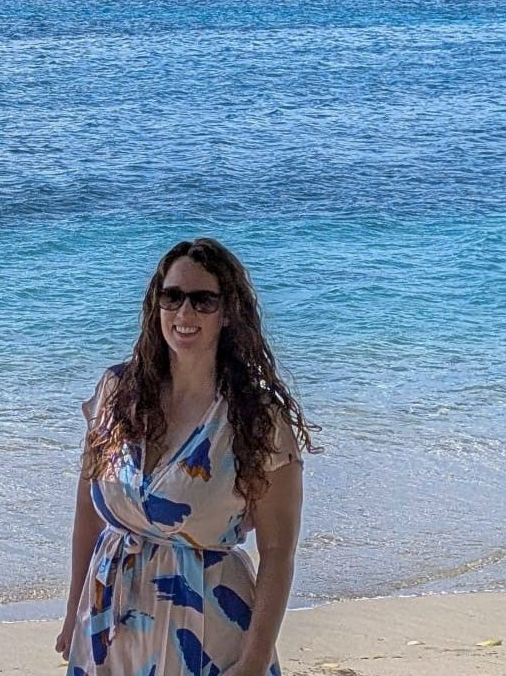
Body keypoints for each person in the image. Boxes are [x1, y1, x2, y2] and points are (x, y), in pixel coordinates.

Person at [56, 238, 315, 676]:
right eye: (172, 297)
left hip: (208, 629)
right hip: (109, 624)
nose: (184, 313)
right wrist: (73, 613)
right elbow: (88, 510)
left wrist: (254, 659)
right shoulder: (116, 394)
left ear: (229, 311)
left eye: (203, 301)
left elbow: (277, 550)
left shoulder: (256, 418)